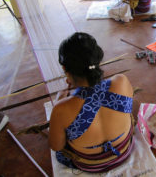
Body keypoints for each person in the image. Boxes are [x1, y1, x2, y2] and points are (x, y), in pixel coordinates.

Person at [49, 32, 134, 173]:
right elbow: (128, 108)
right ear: (97, 61)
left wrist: (60, 100)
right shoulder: (121, 81)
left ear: (65, 70)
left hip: (90, 165)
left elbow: (56, 146)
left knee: (60, 153)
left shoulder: (60, 109)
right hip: (123, 153)